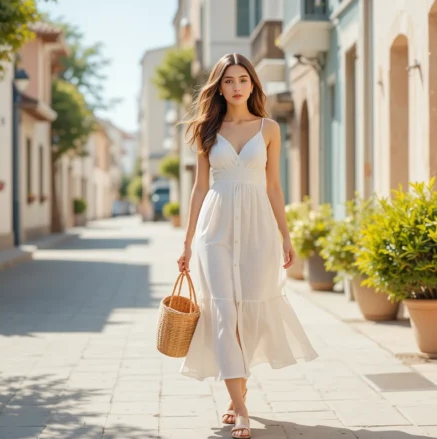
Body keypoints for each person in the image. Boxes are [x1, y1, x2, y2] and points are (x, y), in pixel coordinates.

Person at [176, 53, 318, 439]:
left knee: (249, 311)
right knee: (223, 313)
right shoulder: (207, 128)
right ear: (218, 87)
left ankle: (238, 383)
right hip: (215, 231)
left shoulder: (269, 128)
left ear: (253, 84)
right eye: (228, 81)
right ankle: (240, 408)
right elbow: (200, 188)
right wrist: (187, 242)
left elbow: (273, 186)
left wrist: (286, 236)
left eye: (242, 79)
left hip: (258, 229)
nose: (236, 86)